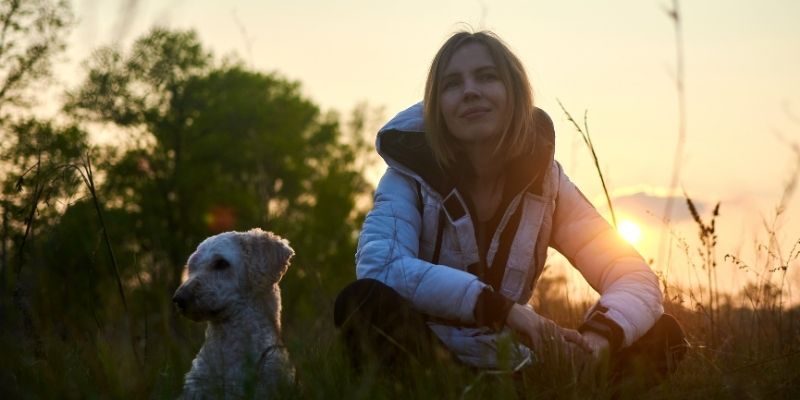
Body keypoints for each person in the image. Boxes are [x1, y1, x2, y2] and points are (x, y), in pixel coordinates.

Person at [334, 30, 687, 389]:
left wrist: (599, 337)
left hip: (516, 368)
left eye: (487, 77)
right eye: (452, 84)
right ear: (436, 106)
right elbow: (382, 266)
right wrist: (500, 310)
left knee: (664, 335)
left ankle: (562, 390)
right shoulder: (407, 176)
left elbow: (633, 275)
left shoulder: (547, 182)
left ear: (515, 93)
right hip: (434, 363)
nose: (470, 90)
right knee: (362, 304)